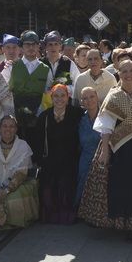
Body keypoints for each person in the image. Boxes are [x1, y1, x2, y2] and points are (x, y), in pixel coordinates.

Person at [79, 60, 132, 232]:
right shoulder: (113, 96)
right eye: (124, 71)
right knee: (122, 185)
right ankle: (123, 224)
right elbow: (105, 126)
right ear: (118, 73)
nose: (128, 74)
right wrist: (104, 151)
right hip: (120, 148)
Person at [34, 84, 82, 224]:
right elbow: (38, 141)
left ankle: (66, 217)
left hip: (70, 160)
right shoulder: (45, 117)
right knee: (49, 188)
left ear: (68, 97)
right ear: (51, 97)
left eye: (63, 96)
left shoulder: (76, 114)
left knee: (66, 185)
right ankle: (50, 216)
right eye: (56, 96)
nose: (59, 99)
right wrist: (39, 160)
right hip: (50, 160)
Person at [8, 31, 51, 153]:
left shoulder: (46, 69)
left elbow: (48, 95)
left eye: (34, 44)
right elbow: (6, 92)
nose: (31, 47)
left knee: (35, 151)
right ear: (22, 47)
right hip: (15, 118)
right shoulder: (12, 66)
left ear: (39, 46)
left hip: (37, 117)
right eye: (27, 44)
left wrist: (40, 113)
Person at [76, 86, 102, 207]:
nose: (89, 100)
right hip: (85, 158)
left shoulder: (106, 117)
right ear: (81, 102)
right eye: (85, 98)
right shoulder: (79, 119)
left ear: (97, 97)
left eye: (92, 96)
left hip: (102, 159)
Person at [41, 31, 79, 100]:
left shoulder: (69, 63)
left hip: (64, 105)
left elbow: (78, 85)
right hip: (43, 105)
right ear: (46, 47)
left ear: (60, 46)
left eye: (56, 44)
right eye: (50, 44)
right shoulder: (40, 64)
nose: (53, 47)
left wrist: (64, 88)